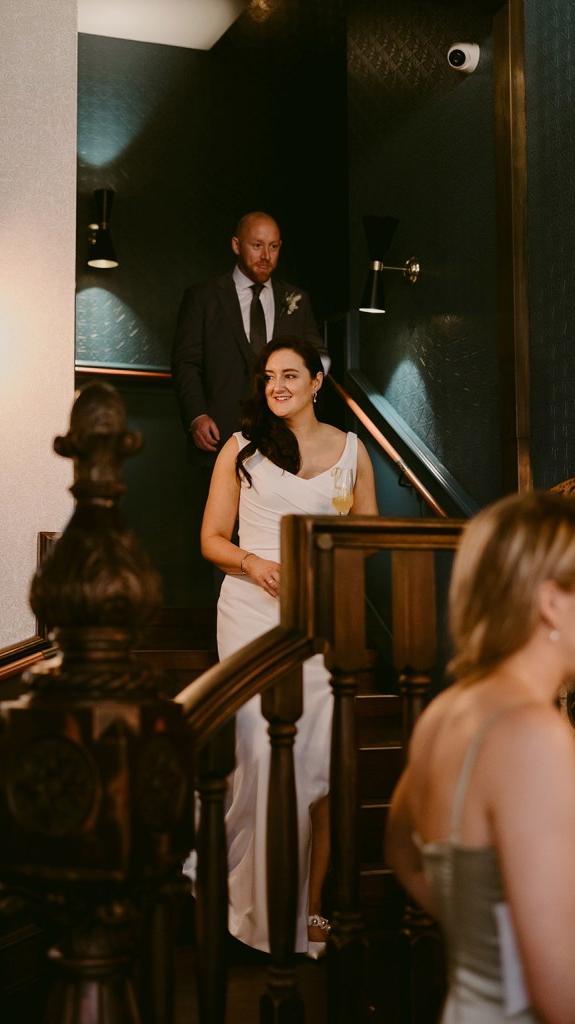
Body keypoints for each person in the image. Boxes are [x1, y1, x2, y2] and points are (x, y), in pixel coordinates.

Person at [385, 490, 575, 1024]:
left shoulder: (446, 711)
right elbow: (569, 999)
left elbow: (403, 855)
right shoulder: (532, 735)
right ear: (552, 602)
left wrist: (488, 943)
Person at [200, 335, 378, 958]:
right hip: (249, 611)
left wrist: (328, 567)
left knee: (316, 766)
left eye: (290, 375)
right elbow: (212, 539)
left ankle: (314, 908)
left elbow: (370, 539)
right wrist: (254, 564)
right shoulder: (242, 449)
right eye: (269, 376)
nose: (276, 385)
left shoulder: (352, 450)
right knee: (255, 753)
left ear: (317, 382)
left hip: (318, 619)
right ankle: (233, 897)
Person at [171, 211, 328, 471]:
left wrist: (304, 394)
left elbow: (317, 356)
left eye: (273, 246)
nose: (266, 256)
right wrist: (196, 416)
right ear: (236, 245)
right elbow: (185, 363)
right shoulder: (203, 297)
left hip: (282, 435)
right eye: (257, 246)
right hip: (218, 433)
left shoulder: (297, 299)